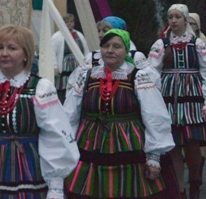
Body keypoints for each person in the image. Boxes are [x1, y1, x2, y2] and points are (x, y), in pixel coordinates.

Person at [0, 25, 79, 199]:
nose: (4, 53)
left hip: (26, 168)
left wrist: (55, 185)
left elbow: (55, 135)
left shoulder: (40, 88)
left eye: (12, 48)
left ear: (26, 54)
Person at [64, 29, 174, 198]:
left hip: (128, 145)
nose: (110, 50)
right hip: (89, 145)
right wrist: (66, 147)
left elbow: (155, 116)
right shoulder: (87, 75)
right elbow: (70, 113)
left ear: (126, 50)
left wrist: (154, 156)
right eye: (106, 46)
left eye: (117, 46)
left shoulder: (138, 77)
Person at [148, 4, 206, 199]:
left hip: (192, 99)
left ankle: (195, 180)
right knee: (172, 145)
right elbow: (152, 71)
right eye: (170, 17)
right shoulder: (161, 44)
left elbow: (205, 72)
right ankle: (180, 189)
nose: (173, 20)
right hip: (169, 100)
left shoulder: (197, 44)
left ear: (185, 19)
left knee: (192, 143)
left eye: (177, 17)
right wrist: (153, 98)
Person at [52, 13, 89, 102]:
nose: (69, 24)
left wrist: (87, 63)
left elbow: (85, 50)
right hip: (64, 69)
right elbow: (52, 52)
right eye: (67, 22)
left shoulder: (79, 35)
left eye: (71, 22)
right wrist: (54, 66)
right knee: (63, 89)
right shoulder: (57, 36)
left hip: (77, 67)